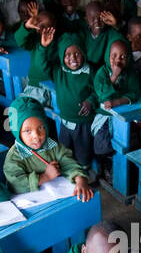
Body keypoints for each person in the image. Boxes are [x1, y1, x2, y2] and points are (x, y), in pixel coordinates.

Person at [1, 96, 94, 201]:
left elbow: (67, 162)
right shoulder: (14, 157)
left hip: (57, 197)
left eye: (40, 127)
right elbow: (15, 184)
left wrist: (80, 179)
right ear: (16, 132)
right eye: (28, 131)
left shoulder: (52, 146)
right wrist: (45, 177)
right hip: (31, 204)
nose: (36, 135)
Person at [30, 28, 97, 171]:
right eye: (67, 55)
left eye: (77, 53)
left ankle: (83, 174)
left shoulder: (90, 71)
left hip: (83, 122)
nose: (72, 58)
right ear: (61, 56)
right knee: (64, 149)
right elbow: (41, 66)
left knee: (83, 152)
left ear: (83, 53)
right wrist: (43, 47)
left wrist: (90, 101)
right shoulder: (58, 71)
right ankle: (67, 175)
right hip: (65, 121)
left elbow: (98, 91)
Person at [91, 37, 141, 180]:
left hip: (124, 114)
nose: (118, 60)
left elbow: (135, 93)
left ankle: (122, 169)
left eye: (123, 57)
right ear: (108, 56)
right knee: (102, 143)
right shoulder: (102, 72)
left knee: (128, 142)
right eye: (113, 55)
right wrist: (114, 76)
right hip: (105, 116)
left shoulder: (130, 73)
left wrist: (119, 101)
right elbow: (102, 94)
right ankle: (105, 167)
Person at [80, 1, 125, 71]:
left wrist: (115, 25)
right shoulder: (83, 34)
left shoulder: (109, 32)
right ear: (86, 20)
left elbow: (121, 38)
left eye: (100, 18)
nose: (97, 22)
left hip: (104, 72)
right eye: (92, 19)